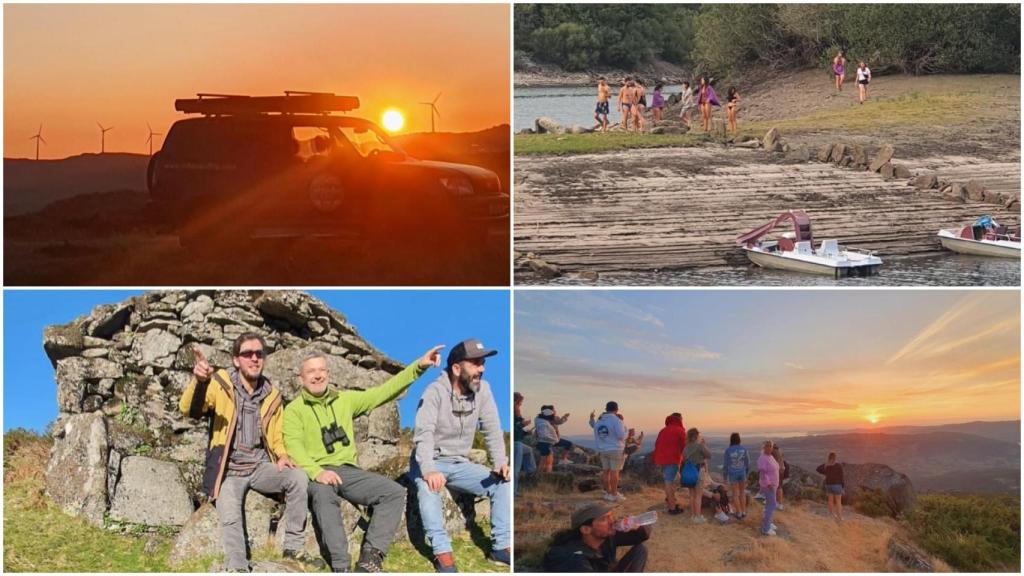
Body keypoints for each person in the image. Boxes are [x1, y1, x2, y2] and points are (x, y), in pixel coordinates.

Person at [282, 346, 441, 573]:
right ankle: (341, 566)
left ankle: (370, 558)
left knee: (393, 492)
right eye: (311, 371)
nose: (317, 375)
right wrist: (318, 472)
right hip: (316, 471)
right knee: (323, 494)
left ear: (328, 373)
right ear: (301, 378)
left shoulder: (345, 400)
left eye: (321, 370)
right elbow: (294, 448)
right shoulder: (294, 410)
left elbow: (383, 392)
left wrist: (419, 367)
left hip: (348, 472)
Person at [179, 334, 323, 572]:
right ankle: (237, 567)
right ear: (236, 360)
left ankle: (293, 549)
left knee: (298, 477)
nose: (254, 358)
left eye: (259, 354)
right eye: (247, 354)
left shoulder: (272, 394)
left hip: (260, 467)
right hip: (229, 471)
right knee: (231, 516)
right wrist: (200, 381)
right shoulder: (221, 382)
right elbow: (189, 410)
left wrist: (283, 455)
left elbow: (276, 436)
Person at [411, 338, 510, 572]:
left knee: (502, 483)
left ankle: (501, 547)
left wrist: (500, 463)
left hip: (461, 464)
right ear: (456, 368)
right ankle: (442, 552)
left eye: (483, 363)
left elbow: (492, 429)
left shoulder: (483, 390)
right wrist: (428, 470)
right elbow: (423, 434)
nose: (481, 369)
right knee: (428, 488)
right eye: (475, 363)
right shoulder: (435, 391)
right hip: (432, 461)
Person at [542, 502, 651, 572]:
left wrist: (635, 524)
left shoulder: (604, 536)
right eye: (604, 519)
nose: (611, 521)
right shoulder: (574, 559)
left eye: (611, 516)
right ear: (586, 529)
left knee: (640, 550)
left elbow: (642, 535)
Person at [590, 402, 627, 502]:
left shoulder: (600, 420)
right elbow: (621, 436)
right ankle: (614, 494)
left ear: (606, 409)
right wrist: (627, 432)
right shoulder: (616, 420)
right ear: (617, 409)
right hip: (615, 449)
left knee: (606, 472)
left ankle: (608, 493)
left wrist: (591, 418)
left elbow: (593, 425)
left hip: (603, 449)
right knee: (615, 472)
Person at [653, 413, 686, 515]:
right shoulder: (679, 430)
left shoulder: (663, 430)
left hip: (662, 460)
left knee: (672, 480)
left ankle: (670, 499)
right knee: (669, 482)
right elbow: (685, 446)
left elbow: (657, 444)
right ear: (679, 419)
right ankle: (672, 508)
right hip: (672, 459)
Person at [682, 427, 711, 523]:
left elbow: (684, 459)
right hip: (699, 471)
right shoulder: (699, 446)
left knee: (692, 495)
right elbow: (709, 455)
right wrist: (704, 445)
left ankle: (693, 515)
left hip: (689, 473)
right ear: (696, 436)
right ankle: (698, 517)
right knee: (698, 495)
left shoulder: (686, 448)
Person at [535, 405, 573, 473]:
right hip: (548, 441)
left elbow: (559, 421)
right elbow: (558, 422)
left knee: (544, 461)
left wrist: (564, 417)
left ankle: (539, 476)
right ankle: (547, 475)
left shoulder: (539, 419)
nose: (555, 411)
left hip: (544, 441)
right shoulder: (547, 421)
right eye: (553, 410)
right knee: (548, 462)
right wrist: (555, 437)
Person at [513, 392, 537, 495]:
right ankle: (514, 491)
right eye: (519, 403)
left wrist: (526, 432)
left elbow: (518, 431)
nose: (520, 406)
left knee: (529, 450)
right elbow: (514, 429)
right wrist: (521, 424)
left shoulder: (517, 414)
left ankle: (530, 471)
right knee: (515, 469)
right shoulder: (513, 414)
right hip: (515, 443)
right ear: (515, 402)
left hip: (518, 441)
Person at [723, 432, 750, 520]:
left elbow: (726, 465)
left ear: (731, 440)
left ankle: (739, 513)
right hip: (742, 473)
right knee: (742, 492)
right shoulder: (744, 449)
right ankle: (744, 511)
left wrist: (725, 477)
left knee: (735, 494)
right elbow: (747, 462)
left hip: (733, 474)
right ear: (739, 439)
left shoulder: (728, 450)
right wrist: (746, 472)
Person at [758, 440, 780, 536]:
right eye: (767, 446)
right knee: (772, 505)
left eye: (770, 446)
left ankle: (769, 523)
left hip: (774, 484)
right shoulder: (762, 458)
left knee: (769, 505)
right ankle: (766, 529)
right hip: (769, 486)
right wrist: (768, 484)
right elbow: (763, 474)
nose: (769, 447)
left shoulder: (770, 456)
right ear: (763, 447)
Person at [817, 452, 845, 522]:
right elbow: (841, 476)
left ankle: (831, 516)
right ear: (835, 458)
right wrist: (842, 486)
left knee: (830, 500)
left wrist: (825, 470)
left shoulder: (827, 465)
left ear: (829, 457)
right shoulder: (838, 465)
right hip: (837, 485)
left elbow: (818, 469)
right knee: (838, 501)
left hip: (828, 485)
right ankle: (839, 517)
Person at [772, 444, 788, 511]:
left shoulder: (772, 451)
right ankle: (780, 504)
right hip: (782, 469)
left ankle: (775, 503)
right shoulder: (780, 450)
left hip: (776, 470)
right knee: (779, 487)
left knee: (775, 486)